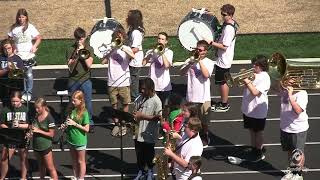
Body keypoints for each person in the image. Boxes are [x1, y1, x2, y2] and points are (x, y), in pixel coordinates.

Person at [180, 40, 214, 147]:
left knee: (204, 121)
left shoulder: (209, 62)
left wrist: (199, 61)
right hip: (191, 96)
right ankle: (194, 137)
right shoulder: (190, 60)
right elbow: (181, 73)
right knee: (192, 120)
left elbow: (206, 75)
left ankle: (204, 136)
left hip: (204, 97)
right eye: (197, 49)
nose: (198, 52)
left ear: (205, 51)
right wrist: (190, 63)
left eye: (200, 50)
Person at [101, 28, 135, 137]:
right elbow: (103, 62)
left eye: (120, 37)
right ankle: (116, 123)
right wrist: (112, 50)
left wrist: (122, 48)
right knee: (114, 104)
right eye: (117, 37)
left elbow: (133, 57)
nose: (119, 39)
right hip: (112, 81)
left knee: (125, 103)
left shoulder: (126, 48)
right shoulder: (111, 49)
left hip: (124, 82)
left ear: (123, 37)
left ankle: (123, 123)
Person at [208, 4, 238, 112]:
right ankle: (223, 102)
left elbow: (224, 46)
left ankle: (224, 104)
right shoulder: (231, 22)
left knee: (222, 82)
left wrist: (211, 42)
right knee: (223, 81)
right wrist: (213, 17)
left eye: (224, 14)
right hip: (225, 58)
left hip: (224, 60)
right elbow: (221, 27)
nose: (222, 16)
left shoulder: (229, 29)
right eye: (221, 14)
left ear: (230, 15)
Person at [241, 55, 270, 162]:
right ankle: (254, 148)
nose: (253, 66)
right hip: (248, 108)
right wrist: (244, 80)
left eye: (256, 64)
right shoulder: (252, 74)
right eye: (253, 63)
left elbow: (255, 92)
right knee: (251, 130)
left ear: (262, 66)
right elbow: (246, 87)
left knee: (258, 132)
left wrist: (247, 80)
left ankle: (259, 152)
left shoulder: (265, 77)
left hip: (258, 110)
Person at [132, 78, 162, 180]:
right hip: (137, 131)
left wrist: (142, 116)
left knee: (149, 154)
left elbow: (159, 117)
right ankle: (141, 170)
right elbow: (135, 112)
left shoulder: (157, 101)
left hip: (149, 132)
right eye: (141, 89)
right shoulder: (139, 98)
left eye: (144, 89)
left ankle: (150, 171)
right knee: (139, 153)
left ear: (151, 88)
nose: (142, 91)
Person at [279, 79, 308, 180]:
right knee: (290, 151)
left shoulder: (302, 94)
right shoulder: (285, 90)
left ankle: (298, 174)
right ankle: (292, 171)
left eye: (290, 79)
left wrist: (290, 95)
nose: (287, 81)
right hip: (286, 127)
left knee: (298, 152)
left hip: (297, 128)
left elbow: (298, 110)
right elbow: (274, 88)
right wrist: (280, 79)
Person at [66, 27, 94, 133]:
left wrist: (83, 52)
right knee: (73, 102)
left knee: (87, 102)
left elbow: (89, 65)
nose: (79, 41)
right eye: (78, 39)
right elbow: (69, 66)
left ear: (85, 38)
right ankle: (72, 120)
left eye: (82, 39)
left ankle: (89, 123)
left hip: (85, 79)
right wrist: (76, 55)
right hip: (73, 79)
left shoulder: (89, 48)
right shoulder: (70, 49)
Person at [8, 8, 42, 96]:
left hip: (28, 55)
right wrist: (13, 47)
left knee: (28, 74)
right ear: (17, 18)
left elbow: (39, 37)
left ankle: (28, 92)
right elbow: (10, 39)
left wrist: (34, 47)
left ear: (26, 17)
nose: (21, 19)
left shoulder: (30, 27)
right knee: (19, 75)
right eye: (19, 17)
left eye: (23, 17)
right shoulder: (14, 28)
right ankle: (21, 92)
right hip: (18, 55)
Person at [61, 90, 90, 180]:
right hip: (71, 139)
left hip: (80, 140)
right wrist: (64, 126)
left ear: (80, 101)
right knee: (74, 161)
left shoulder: (84, 112)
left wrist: (75, 124)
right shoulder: (71, 110)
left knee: (81, 161)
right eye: (72, 100)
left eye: (74, 101)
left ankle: (81, 178)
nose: (72, 102)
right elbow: (68, 122)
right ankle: (75, 176)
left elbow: (87, 129)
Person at [0, 91, 29, 180]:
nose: (15, 103)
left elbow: (30, 125)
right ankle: (2, 177)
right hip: (10, 137)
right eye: (13, 101)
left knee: (23, 159)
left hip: (22, 137)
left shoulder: (26, 110)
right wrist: (10, 127)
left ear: (21, 100)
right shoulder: (5, 110)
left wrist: (19, 126)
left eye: (17, 101)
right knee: (4, 159)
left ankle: (23, 178)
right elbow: (1, 124)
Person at [30, 98, 58, 180]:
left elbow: (51, 134)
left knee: (50, 167)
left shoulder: (49, 118)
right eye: (35, 107)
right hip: (36, 145)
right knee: (41, 166)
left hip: (45, 146)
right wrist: (31, 132)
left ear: (44, 107)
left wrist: (38, 131)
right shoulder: (36, 115)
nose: (36, 109)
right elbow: (34, 127)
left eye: (38, 108)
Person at [143, 32, 173, 106]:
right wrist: (149, 55)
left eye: (162, 39)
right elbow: (143, 63)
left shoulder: (169, 52)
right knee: (152, 107)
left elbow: (166, 66)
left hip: (164, 86)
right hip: (153, 85)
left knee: (165, 107)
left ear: (166, 41)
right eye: (159, 38)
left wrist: (162, 53)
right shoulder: (151, 51)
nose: (160, 41)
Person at [126, 9, 145, 102]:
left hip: (134, 61)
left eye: (128, 17)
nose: (126, 19)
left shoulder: (135, 32)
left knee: (133, 84)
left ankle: (135, 103)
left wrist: (124, 53)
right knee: (132, 82)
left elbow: (135, 49)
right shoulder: (134, 30)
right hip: (133, 60)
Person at [0, 39, 24, 104]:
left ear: (12, 48)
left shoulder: (17, 59)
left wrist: (14, 69)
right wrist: (6, 69)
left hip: (14, 84)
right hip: (2, 83)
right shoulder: (0, 58)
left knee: (18, 84)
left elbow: (20, 75)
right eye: (5, 49)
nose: (7, 50)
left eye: (9, 48)